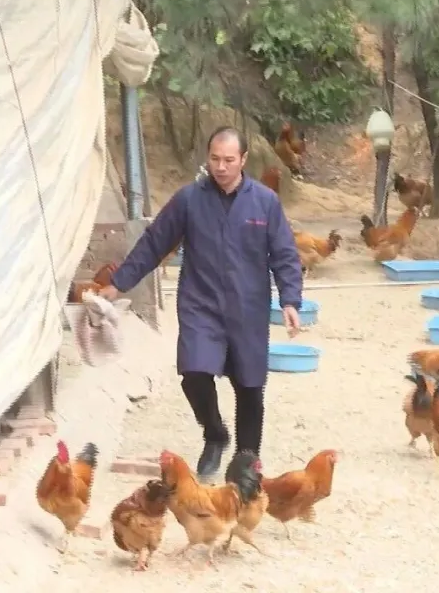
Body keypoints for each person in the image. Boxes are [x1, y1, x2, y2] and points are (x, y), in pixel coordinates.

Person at [99, 126, 303, 481]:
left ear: (243, 160)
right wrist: (118, 284)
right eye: (214, 159)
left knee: (250, 386)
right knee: (194, 372)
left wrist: (290, 300)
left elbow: (284, 254)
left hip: (248, 307)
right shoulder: (189, 200)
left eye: (229, 160)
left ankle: (245, 466)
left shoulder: (265, 202)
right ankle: (214, 433)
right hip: (201, 304)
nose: (220, 167)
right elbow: (154, 243)